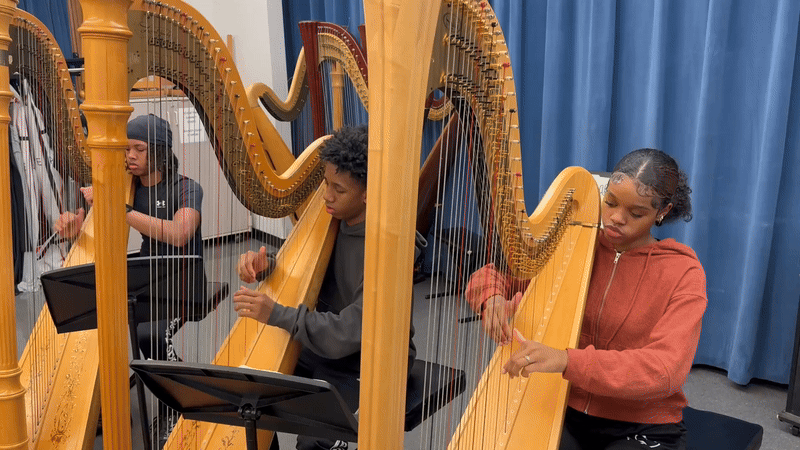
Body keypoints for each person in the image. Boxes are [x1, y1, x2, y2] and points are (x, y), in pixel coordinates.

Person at [464, 148, 707, 450]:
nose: (616, 218)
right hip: (564, 405)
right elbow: (491, 274)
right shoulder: (573, 243)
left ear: (663, 212)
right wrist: (493, 299)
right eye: (611, 203)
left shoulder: (683, 270)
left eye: (636, 213)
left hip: (642, 423)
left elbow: (665, 369)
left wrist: (568, 360)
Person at [233, 124, 418, 450]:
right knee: (245, 397)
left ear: (369, 192)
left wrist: (277, 314)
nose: (327, 195)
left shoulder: (388, 250)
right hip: (322, 348)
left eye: (339, 189)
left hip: (367, 361)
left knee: (312, 444)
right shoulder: (334, 219)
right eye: (325, 183)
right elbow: (310, 271)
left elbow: (350, 331)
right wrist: (269, 265)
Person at [54, 113, 206, 362]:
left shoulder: (186, 188)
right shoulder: (128, 188)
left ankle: (175, 385)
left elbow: (181, 234)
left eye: (140, 149)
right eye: (126, 149)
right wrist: (75, 235)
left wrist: (120, 210)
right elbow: (103, 243)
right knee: (94, 312)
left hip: (184, 284)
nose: (130, 155)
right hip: (145, 282)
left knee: (148, 334)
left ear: (160, 152)